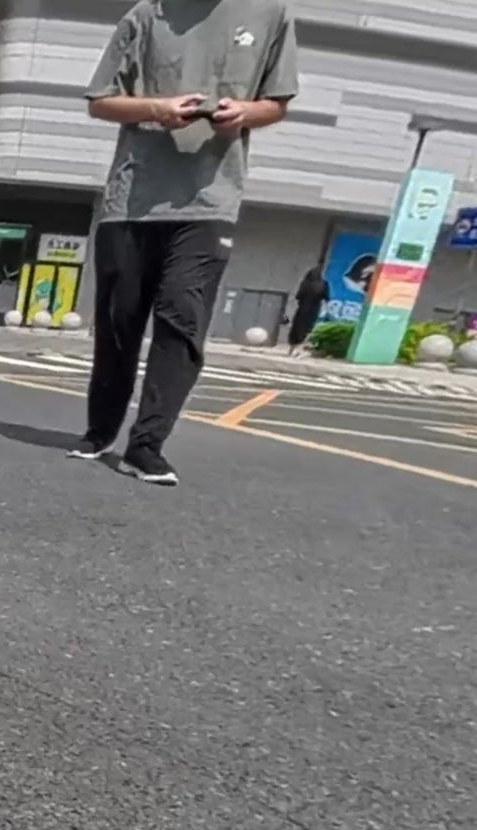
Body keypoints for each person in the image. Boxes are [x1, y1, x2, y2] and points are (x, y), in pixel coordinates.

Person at [69, 0, 301, 486]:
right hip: (132, 198)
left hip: (211, 200)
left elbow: (276, 102)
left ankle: (146, 446)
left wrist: (245, 113)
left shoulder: (269, 13)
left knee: (182, 319)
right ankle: (100, 430)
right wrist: (157, 108)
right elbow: (100, 100)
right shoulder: (146, 15)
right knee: (118, 323)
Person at [286, 264, 327, 352]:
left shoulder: (305, 283)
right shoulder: (324, 284)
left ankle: (292, 346)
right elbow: (327, 297)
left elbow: (298, 296)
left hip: (302, 309)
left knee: (297, 327)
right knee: (309, 328)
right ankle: (301, 346)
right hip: (314, 309)